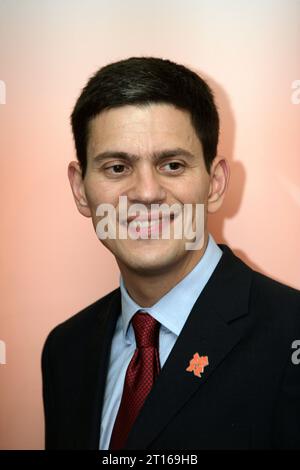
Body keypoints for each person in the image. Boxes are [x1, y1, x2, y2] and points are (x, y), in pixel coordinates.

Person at [42, 56, 300, 450]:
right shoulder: (65, 349)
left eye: (172, 165)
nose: (146, 193)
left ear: (214, 184)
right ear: (81, 189)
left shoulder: (290, 335)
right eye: (116, 168)